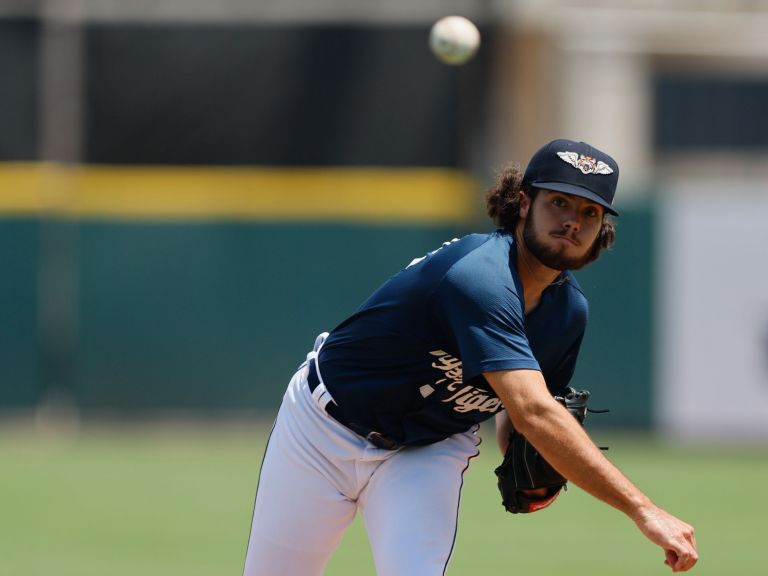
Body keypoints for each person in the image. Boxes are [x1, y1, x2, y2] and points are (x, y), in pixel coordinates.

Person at [242, 139, 698, 575]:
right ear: (523, 203)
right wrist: (644, 510)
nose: (573, 221)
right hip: (323, 430)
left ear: (602, 229)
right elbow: (535, 411)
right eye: (558, 202)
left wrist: (534, 460)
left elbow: (521, 419)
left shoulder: (567, 313)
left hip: (426, 450)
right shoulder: (480, 276)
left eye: (589, 211)